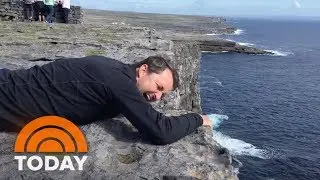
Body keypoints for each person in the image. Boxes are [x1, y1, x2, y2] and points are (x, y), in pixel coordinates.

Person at [0, 56, 227, 145]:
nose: (157, 97)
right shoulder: (118, 83)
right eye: (158, 87)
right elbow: (161, 132)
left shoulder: (115, 70)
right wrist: (199, 118)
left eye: (163, 95)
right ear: (143, 69)